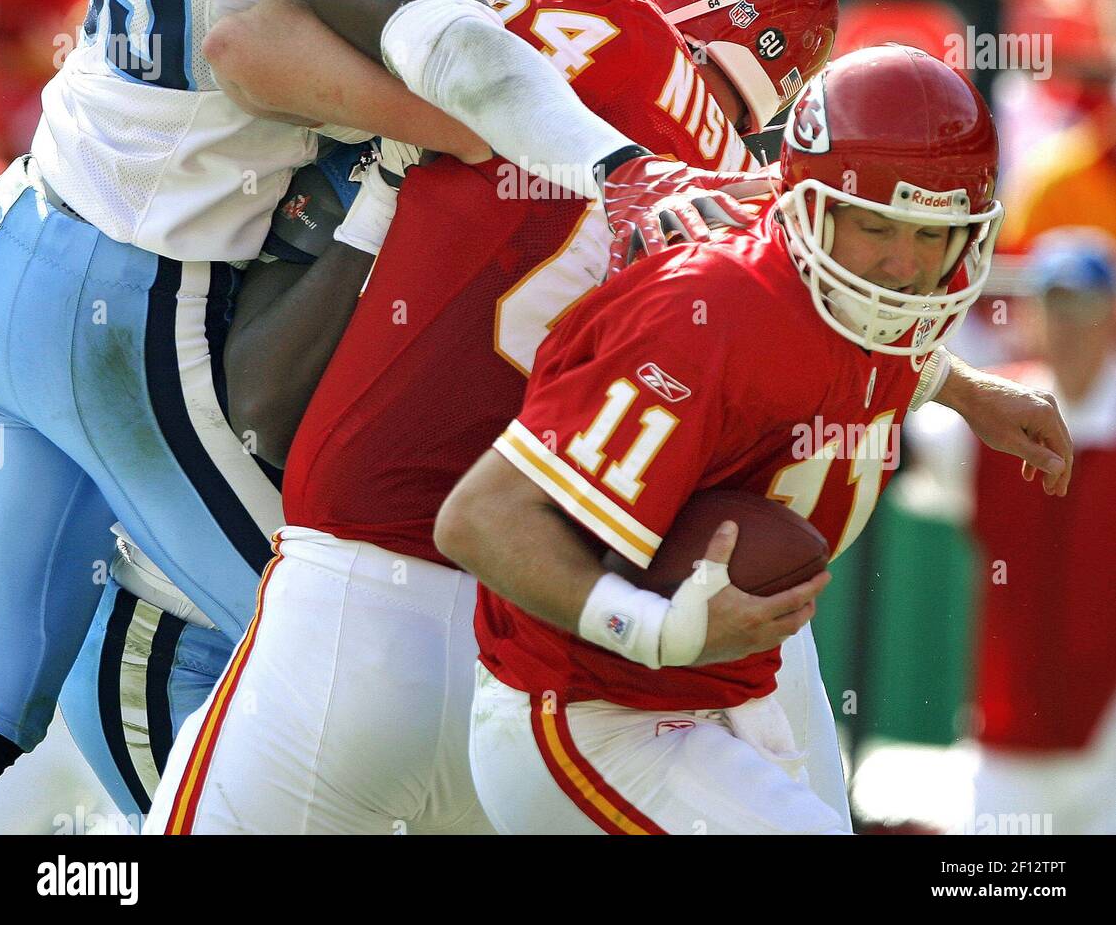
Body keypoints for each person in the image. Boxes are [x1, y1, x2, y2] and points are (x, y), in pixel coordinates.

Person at [0, 0, 720, 796]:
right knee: (309, 631)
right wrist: (607, 159)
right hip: (135, 293)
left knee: (0, 688)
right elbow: (423, 36)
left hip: (26, 227)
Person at [143, 0, 839, 835]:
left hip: (356, 601)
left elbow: (245, 43)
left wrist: (412, 135)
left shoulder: (597, 19)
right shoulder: (748, 220)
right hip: (525, 648)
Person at [434, 46, 1073, 835]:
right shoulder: (708, 317)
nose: (903, 267)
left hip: (730, 687)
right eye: (875, 226)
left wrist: (963, 388)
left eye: (931, 235)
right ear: (808, 206)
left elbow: (851, 333)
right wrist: (654, 626)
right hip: (595, 712)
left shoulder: (850, 290)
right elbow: (479, 520)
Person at [910, 227, 1116, 835]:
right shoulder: (992, 416)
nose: (1066, 324)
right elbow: (889, 449)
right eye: (1052, 305)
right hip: (1008, 723)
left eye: (1081, 305)